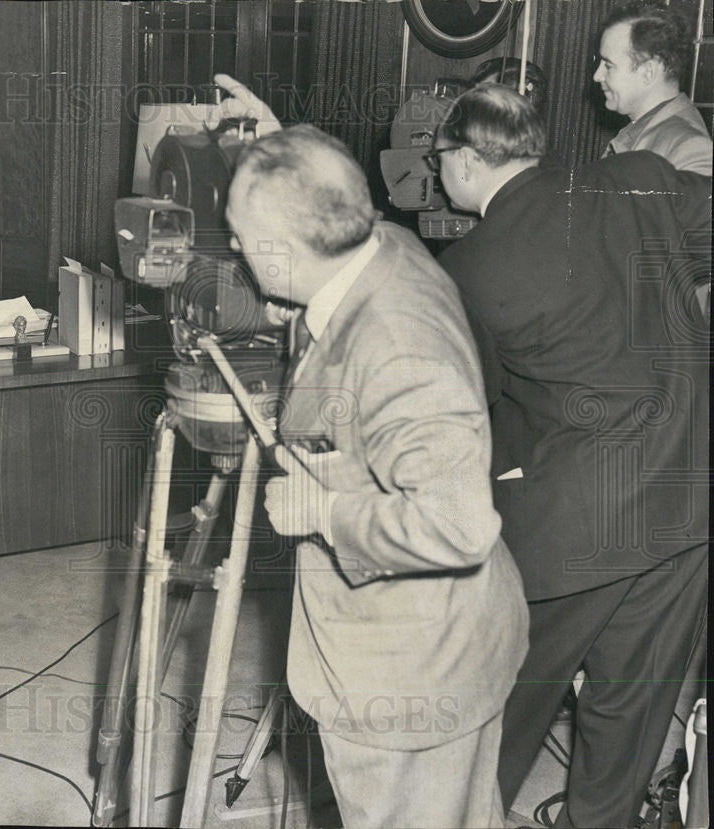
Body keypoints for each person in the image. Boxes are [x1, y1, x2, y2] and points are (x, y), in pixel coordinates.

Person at [220, 80, 530, 827]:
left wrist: (322, 508)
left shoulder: (398, 351)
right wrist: (280, 147)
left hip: (412, 681)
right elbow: (333, 198)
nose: (230, 246)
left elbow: (458, 524)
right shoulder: (380, 241)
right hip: (439, 643)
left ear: (286, 252)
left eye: (238, 235)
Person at [432, 85, 710, 828]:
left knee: (505, 699)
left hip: (573, 525)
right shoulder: (632, 178)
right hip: (687, 500)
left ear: (462, 160)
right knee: (629, 711)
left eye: (437, 160)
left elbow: (474, 415)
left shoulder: (469, 267)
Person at [594, 0, 712, 174]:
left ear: (648, 72)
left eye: (609, 65)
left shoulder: (689, 151)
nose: (597, 76)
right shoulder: (639, 129)